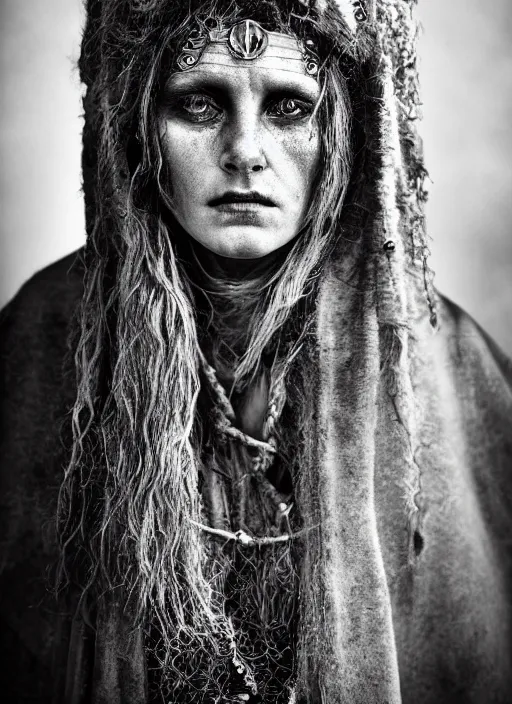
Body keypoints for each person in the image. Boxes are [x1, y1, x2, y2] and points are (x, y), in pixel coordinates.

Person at [1, 0, 511, 702]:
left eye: (290, 108)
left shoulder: (448, 369)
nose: (245, 150)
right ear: (138, 127)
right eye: (201, 104)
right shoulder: (38, 341)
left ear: (343, 133)